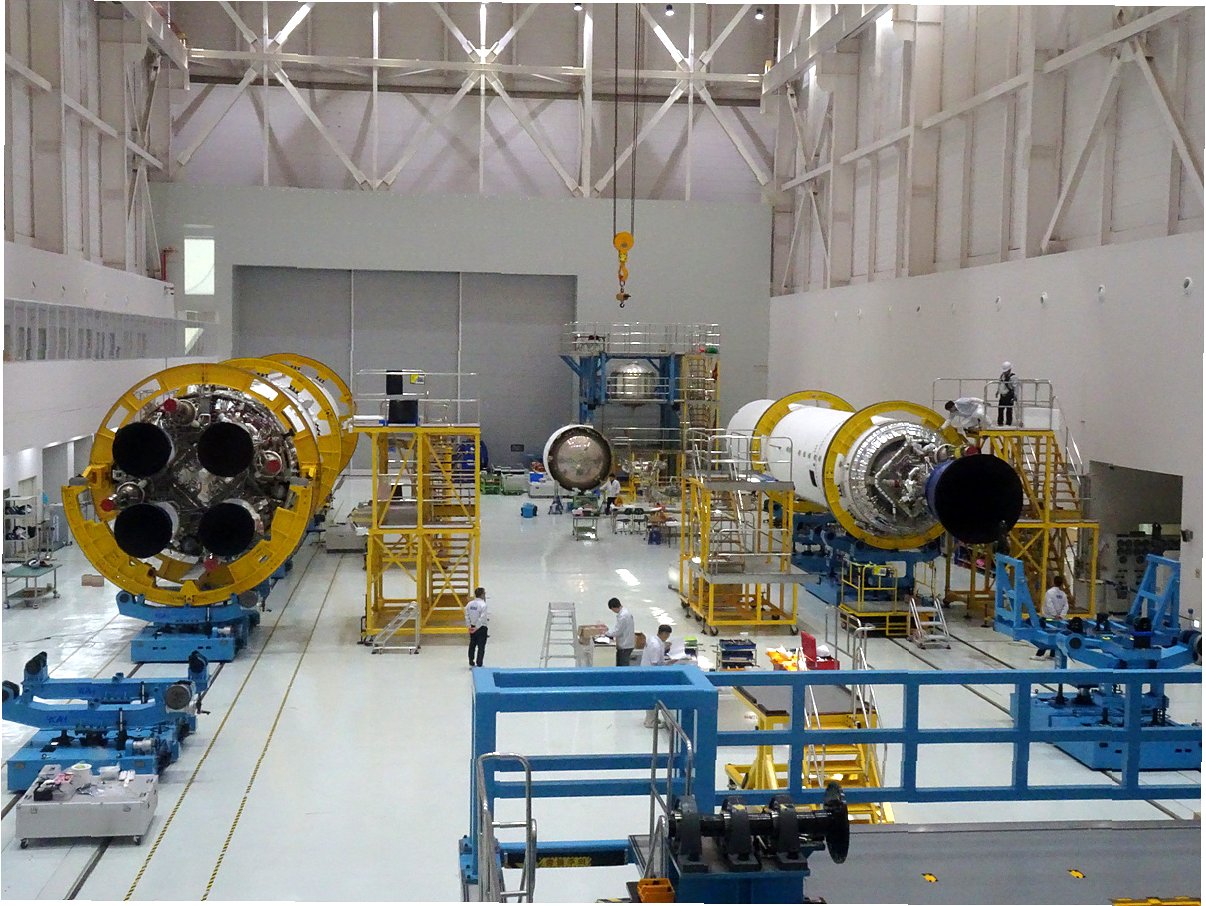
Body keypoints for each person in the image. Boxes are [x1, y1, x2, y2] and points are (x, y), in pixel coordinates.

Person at [641, 624, 674, 728]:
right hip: (650, 675)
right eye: (667, 635)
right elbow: (655, 664)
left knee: (652, 696)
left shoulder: (654, 639)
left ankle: (651, 718)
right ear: (663, 633)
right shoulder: (655, 645)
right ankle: (650, 722)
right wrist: (668, 664)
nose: (667, 637)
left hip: (646, 671)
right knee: (652, 697)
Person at [1032, 575, 1069, 659]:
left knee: (1045, 636)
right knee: (1056, 635)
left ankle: (1039, 655)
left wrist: (1054, 614)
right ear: (1061, 584)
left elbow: (1049, 604)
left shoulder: (1049, 593)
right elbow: (1066, 606)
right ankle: (1053, 654)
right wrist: (1061, 616)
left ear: (1053, 582)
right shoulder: (1063, 594)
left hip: (1049, 618)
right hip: (1059, 619)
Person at [605, 597, 635, 666]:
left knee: (623, 665)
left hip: (625, 645)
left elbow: (618, 631)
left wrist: (606, 633)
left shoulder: (623, 616)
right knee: (622, 663)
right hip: (626, 643)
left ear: (614, 607)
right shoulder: (625, 612)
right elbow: (618, 628)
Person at [465, 586, 489, 667]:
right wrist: (477, 627)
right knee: (481, 646)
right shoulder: (483, 605)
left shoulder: (469, 604)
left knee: (472, 644)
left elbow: (466, 615)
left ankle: (471, 661)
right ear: (482, 595)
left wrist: (469, 626)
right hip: (481, 628)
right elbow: (482, 618)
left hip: (472, 627)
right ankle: (479, 663)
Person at [995, 362, 1020, 426]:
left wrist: (1015, 396)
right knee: (1000, 409)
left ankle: (1008, 423)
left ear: (1009, 370)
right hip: (1002, 395)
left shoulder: (1013, 377)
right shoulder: (1002, 376)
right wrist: (998, 391)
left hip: (1009, 395)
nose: (1004, 372)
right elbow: (1000, 384)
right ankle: (1000, 423)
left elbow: (1016, 387)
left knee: (1009, 410)